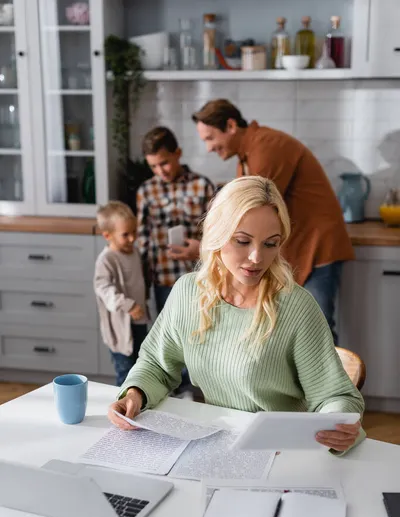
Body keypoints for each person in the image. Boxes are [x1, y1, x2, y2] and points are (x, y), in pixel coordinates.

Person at [108, 176, 365, 455]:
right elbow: (157, 366)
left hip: (283, 452)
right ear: (217, 234)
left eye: (270, 243)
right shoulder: (187, 294)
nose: (257, 257)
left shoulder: (296, 307)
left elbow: (334, 395)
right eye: (243, 241)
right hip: (217, 444)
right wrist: (135, 393)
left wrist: (338, 424)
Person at [191, 99, 354, 344]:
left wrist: (211, 244)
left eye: (210, 138)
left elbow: (254, 211)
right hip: (298, 246)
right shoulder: (248, 153)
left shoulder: (266, 147)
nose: (208, 148)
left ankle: (330, 382)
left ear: (231, 125)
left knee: (318, 328)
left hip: (317, 246)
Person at [136, 126, 214, 314]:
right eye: (153, 166)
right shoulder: (146, 191)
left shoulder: (202, 186)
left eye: (164, 163)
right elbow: (143, 240)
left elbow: (217, 232)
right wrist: (143, 285)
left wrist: (201, 251)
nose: (160, 171)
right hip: (163, 281)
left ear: (177, 154)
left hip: (198, 277)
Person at [94, 201, 148, 387]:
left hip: (139, 321)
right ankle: (122, 409)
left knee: (142, 368)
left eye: (134, 232)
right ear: (107, 235)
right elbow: (103, 288)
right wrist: (128, 305)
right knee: (125, 371)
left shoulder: (134, 253)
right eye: (126, 235)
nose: (132, 238)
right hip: (120, 328)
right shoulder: (106, 259)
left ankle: (140, 406)